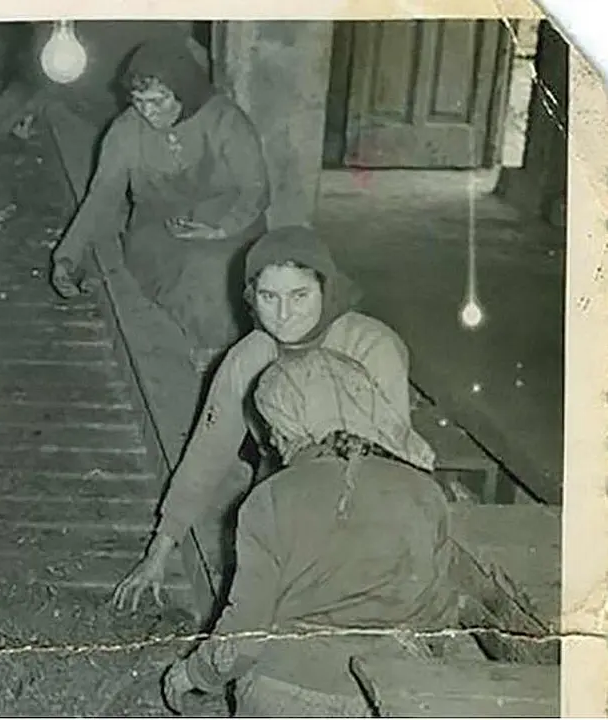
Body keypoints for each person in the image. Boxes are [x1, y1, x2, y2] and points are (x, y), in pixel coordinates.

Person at [112, 225, 420, 623]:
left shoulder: (372, 347)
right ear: (251, 299)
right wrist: (158, 552)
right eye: (268, 297)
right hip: (284, 485)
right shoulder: (249, 357)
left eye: (299, 295)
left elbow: (395, 463)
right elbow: (207, 453)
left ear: (327, 290)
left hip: (370, 494)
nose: (284, 314)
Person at [160, 347, 453, 717]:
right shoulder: (426, 494)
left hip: (288, 692)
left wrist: (191, 674)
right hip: (385, 695)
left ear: (285, 426)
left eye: (272, 428)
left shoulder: (272, 498)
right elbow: (437, 617)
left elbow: (243, 640)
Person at [50, 39, 270, 369]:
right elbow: (101, 197)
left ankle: (233, 356)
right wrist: (67, 256)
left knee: (219, 271)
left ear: (183, 92)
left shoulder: (225, 121)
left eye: (158, 101)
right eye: (139, 101)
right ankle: (211, 354)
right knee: (185, 273)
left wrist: (220, 229)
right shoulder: (126, 132)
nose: (147, 112)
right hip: (160, 227)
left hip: (230, 222)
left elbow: (256, 190)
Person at [0, 22, 207, 207]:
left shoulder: (139, 27)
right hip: (102, 114)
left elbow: (184, 72)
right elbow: (28, 86)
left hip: (156, 116)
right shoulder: (55, 37)